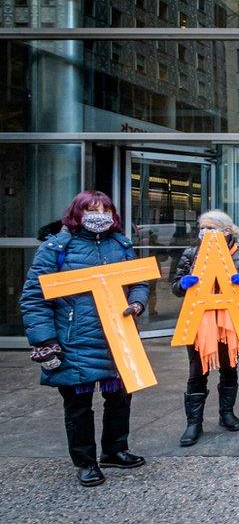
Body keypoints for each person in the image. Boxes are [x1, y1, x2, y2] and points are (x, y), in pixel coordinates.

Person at [19, 190, 149, 487]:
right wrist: (45, 340)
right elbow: (34, 298)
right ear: (77, 212)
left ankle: (116, 450)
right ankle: (86, 462)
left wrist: (138, 302)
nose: (98, 214)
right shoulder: (56, 247)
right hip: (73, 339)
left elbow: (138, 281)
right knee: (78, 404)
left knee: (120, 397)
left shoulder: (121, 244)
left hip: (118, 337)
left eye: (104, 209)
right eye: (91, 208)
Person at [172, 210, 239, 447]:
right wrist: (183, 284)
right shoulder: (191, 254)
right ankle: (194, 424)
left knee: (229, 367)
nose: (205, 232)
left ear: (227, 231)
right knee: (197, 371)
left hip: (229, 320)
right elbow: (175, 286)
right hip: (198, 320)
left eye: (211, 227)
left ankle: (227, 414)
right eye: (202, 227)